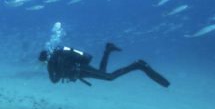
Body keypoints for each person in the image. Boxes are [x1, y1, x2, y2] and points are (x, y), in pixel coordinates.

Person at [38, 42, 170, 87]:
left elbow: (54, 81)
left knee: (109, 77)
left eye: (43, 62)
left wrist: (50, 69)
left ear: (45, 59)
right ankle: (108, 50)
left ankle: (137, 65)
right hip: (81, 71)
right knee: (104, 72)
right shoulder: (58, 58)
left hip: (81, 70)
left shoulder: (51, 64)